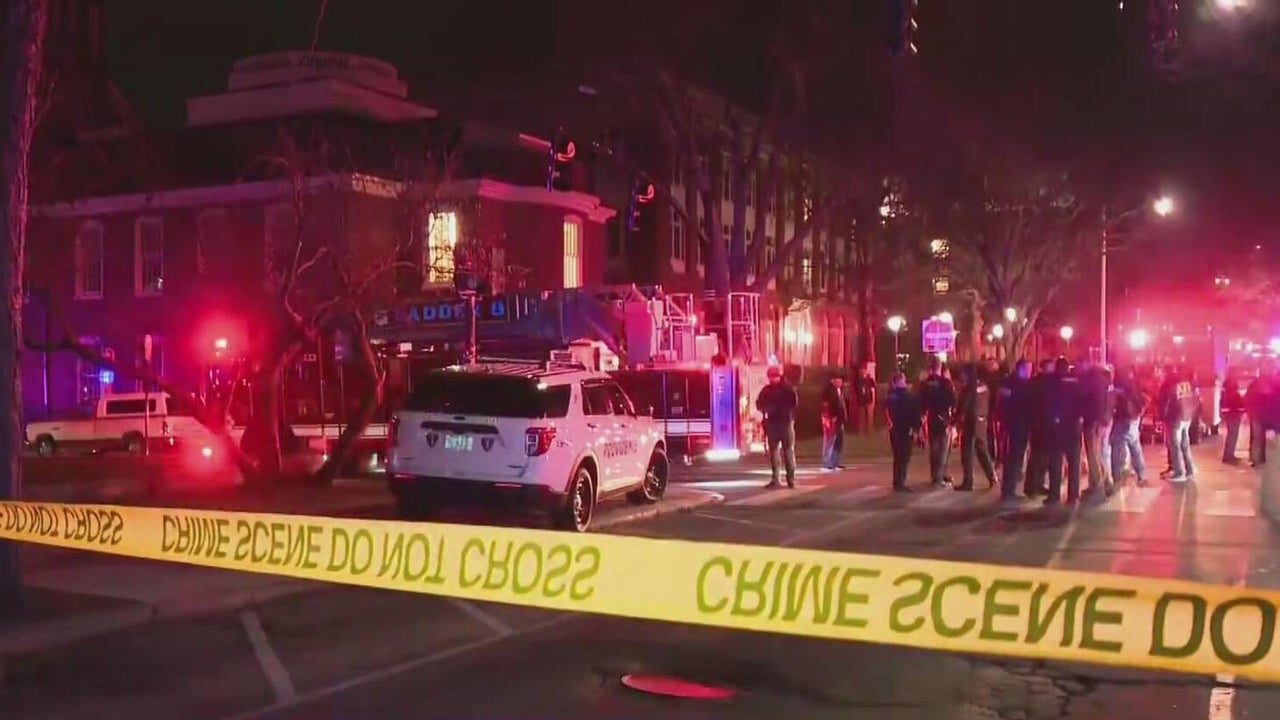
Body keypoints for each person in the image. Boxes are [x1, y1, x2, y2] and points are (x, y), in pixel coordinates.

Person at [1044, 357, 1084, 505]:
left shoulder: (1051, 381)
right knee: (1074, 463)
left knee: (1055, 462)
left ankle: (1054, 495)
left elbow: (1048, 402)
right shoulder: (1077, 381)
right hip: (1073, 426)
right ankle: (1073, 496)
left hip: (1057, 427)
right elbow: (1082, 402)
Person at [955, 363, 997, 491]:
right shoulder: (983, 386)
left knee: (967, 451)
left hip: (971, 422)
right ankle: (992, 477)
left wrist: (956, 420)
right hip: (982, 421)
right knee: (982, 449)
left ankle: (968, 481)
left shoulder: (968, 388)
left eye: (963, 373)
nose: (961, 376)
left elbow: (963, 406)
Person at [998, 359, 1034, 506]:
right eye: (1028, 369)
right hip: (1016, 425)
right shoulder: (1016, 384)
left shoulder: (1014, 383)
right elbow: (1005, 404)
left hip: (1019, 424)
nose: (1030, 372)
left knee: (1015, 458)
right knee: (1013, 459)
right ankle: (1008, 492)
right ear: (1021, 369)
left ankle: (1009, 490)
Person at [756, 365, 798, 489]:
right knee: (774, 452)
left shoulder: (787, 389)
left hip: (785, 423)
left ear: (779, 376)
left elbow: (793, 403)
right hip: (773, 423)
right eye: (770, 377)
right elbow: (759, 403)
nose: (772, 379)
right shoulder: (767, 390)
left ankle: (790, 478)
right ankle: (776, 478)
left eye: (774, 376)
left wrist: (772, 409)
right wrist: (766, 409)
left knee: (787, 451)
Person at [918, 357, 957, 487]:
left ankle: (935, 475)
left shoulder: (925, 384)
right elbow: (953, 401)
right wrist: (953, 420)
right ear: (940, 367)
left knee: (934, 449)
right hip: (944, 417)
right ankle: (940, 477)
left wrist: (922, 420)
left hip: (931, 417)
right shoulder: (946, 383)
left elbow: (921, 402)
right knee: (943, 449)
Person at [1078, 357, 1112, 499]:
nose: (1078, 368)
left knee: (1092, 455)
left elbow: (1090, 402)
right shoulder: (1100, 380)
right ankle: (1105, 482)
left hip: (1092, 422)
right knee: (1096, 454)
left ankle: (1097, 487)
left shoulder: (1090, 381)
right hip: (1099, 421)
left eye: (1080, 364)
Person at [1110, 366, 1148, 487]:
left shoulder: (1118, 390)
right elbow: (1145, 399)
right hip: (1134, 421)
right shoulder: (1135, 385)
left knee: (1117, 450)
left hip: (1122, 422)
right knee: (1135, 448)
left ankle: (1117, 478)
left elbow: (1113, 405)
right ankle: (1141, 475)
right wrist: (1139, 415)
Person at [1158, 365, 1197, 481]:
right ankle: (1190, 470)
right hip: (1187, 417)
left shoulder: (1168, 384)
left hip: (1174, 418)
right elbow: (1195, 399)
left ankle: (1179, 472)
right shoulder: (1186, 383)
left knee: (1174, 446)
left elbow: (1164, 402)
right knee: (1185, 444)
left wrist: (1162, 417)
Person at [1025, 359, 1055, 496]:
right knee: (1039, 455)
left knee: (1042, 456)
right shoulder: (1040, 383)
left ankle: (1038, 484)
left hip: (1041, 423)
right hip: (1041, 424)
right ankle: (1033, 486)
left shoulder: (1037, 382)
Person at [885, 372, 919, 492]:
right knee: (904, 457)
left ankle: (897, 481)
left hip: (894, 429)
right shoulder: (908, 396)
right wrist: (915, 429)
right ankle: (901, 482)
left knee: (897, 456)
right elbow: (914, 413)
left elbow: (886, 411)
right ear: (901, 381)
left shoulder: (890, 396)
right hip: (905, 429)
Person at [820, 374, 849, 470]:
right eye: (838, 380)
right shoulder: (828, 391)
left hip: (840, 419)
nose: (840, 382)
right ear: (833, 380)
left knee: (839, 441)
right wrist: (831, 417)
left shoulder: (840, 390)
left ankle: (835, 461)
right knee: (830, 440)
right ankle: (827, 462)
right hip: (832, 419)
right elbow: (827, 406)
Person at [1246, 365, 1272, 467]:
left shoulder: (1254, 384)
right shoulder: (1267, 384)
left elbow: (1248, 399)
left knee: (1256, 438)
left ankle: (1256, 458)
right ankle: (1259, 458)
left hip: (1256, 415)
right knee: (1261, 438)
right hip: (1262, 416)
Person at [1221, 371, 1246, 464]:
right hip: (1233, 415)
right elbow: (1236, 403)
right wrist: (1242, 408)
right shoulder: (1231, 390)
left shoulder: (1226, 389)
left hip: (1230, 415)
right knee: (1232, 436)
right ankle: (1228, 456)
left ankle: (1229, 455)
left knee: (1231, 436)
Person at [855, 366, 876, 434]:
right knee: (862, 416)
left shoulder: (869, 379)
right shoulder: (858, 379)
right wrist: (864, 378)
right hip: (861, 400)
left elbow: (873, 385)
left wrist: (870, 378)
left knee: (869, 415)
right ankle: (861, 430)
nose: (864, 372)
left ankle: (869, 429)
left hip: (868, 399)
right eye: (862, 371)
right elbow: (858, 387)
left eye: (865, 371)